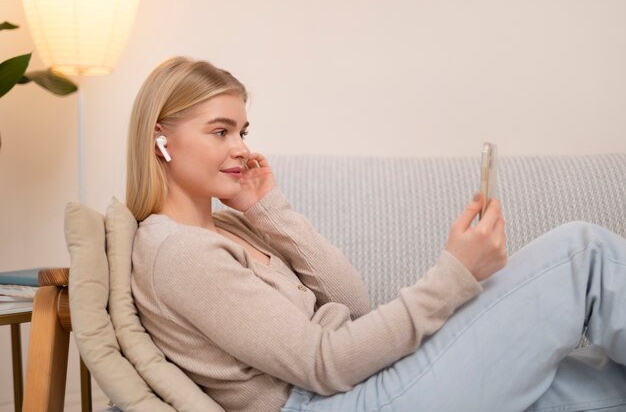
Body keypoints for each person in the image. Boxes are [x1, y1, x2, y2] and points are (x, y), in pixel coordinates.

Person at [127, 57, 626, 412]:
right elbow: (322, 364)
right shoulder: (178, 252)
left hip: (363, 385)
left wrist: (266, 210)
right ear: (161, 140)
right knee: (582, 254)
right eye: (220, 131)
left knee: (598, 386)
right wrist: (453, 276)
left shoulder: (228, 224)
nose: (240, 148)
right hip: (334, 401)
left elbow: (353, 303)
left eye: (243, 130)